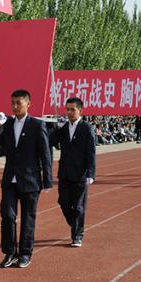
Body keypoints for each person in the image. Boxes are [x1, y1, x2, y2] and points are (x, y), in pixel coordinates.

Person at [0, 89, 53, 269]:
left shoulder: (37, 125)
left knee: (28, 218)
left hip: (30, 180)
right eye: (12, 103)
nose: (15, 106)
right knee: (7, 215)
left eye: (18, 103)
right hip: (9, 179)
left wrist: (47, 180)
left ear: (28, 104)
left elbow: (46, 154)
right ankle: (10, 252)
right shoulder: (8, 124)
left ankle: (25, 253)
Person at [49, 97, 97, 247]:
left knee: (78, 206)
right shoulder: (63, 127)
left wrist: (91, 173)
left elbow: (91, 152)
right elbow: (51, 141)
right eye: (67, 109)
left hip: (80, 173)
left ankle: (77, 235)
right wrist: (57, 128)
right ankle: (75, 225)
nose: (69, 112)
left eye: (72, 110)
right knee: (63, 202)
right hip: (64, 172)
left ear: (80, 111)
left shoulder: (87, 128)